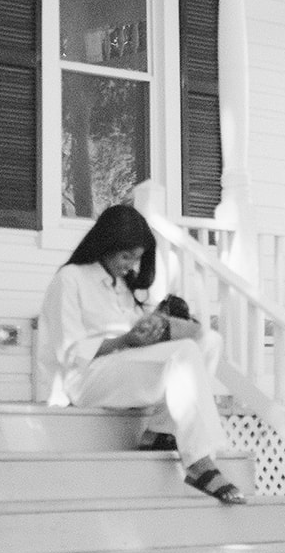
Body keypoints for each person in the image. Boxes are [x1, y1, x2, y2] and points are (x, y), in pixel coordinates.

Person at [36, 203, 245, 504]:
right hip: (83, 380)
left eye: (136, 258)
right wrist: (127, 340)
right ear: (105, 245)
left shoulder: (122, 286)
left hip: (120, 369)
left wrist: (157, 326)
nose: (131, 265)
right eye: (126, 256)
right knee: (184, 353)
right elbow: (70, 351)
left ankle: (159, 432)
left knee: (208, 341)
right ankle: (199, 461)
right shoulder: (70, 279)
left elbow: (135, 340)